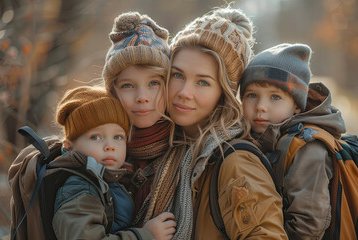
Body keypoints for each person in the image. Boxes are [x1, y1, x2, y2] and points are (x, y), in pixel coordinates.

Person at [144, 5, 288, 240]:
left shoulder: (235, 161)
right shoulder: (170, 150)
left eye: (203, 82)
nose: (184, 92)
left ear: (224, 93)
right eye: (178, 75)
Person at [240, 43, 346, 239]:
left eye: (275, 97)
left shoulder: (307, 148)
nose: (261, 106)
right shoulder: (255, 139)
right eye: (252, 95)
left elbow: (308, 226)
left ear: (297, 105)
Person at [53, 86, 176, 240]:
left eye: (118, 137)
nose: (110, 146)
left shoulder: (106, 181)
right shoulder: (80, 189)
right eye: (96, 137)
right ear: (69, 146)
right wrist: (145, 235)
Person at [101, 11, 177, 225]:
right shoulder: (94, 149)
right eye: (128, 85)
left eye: (154, 83)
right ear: (113, 91)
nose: (142, 98)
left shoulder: (188, 147)